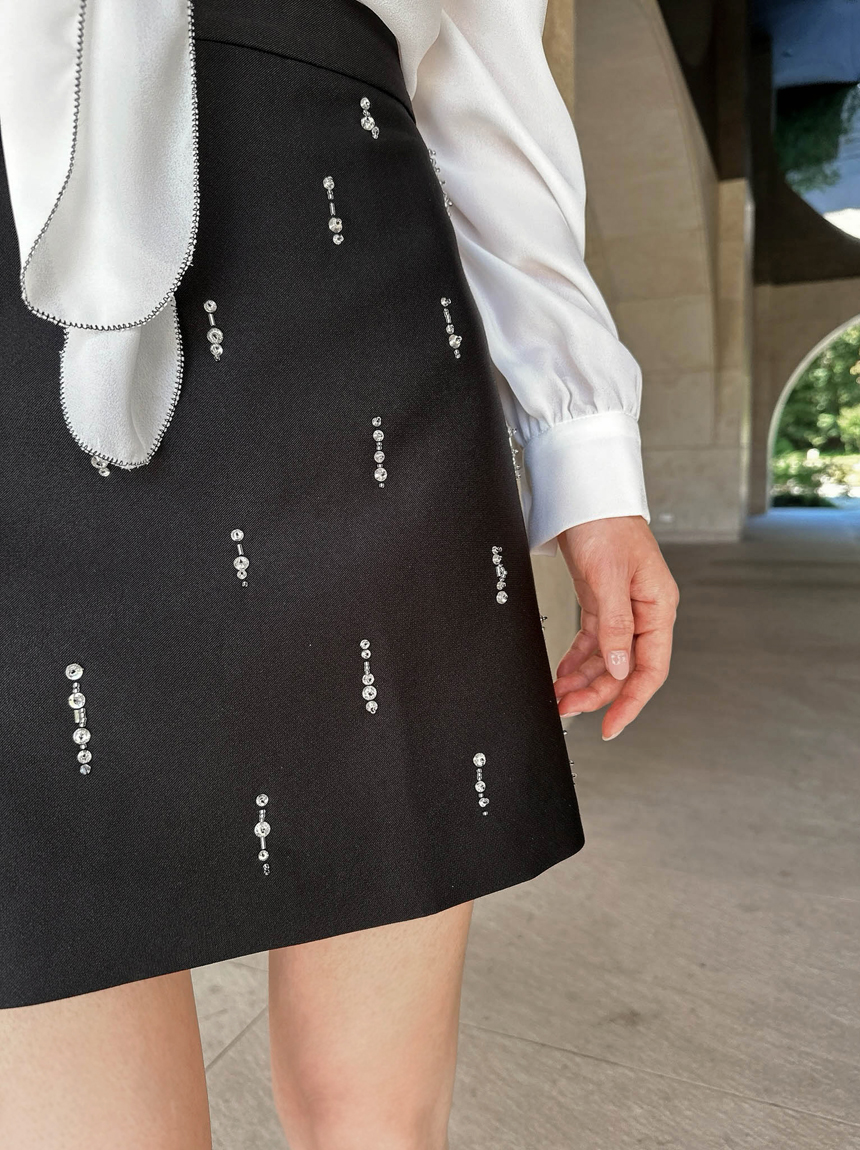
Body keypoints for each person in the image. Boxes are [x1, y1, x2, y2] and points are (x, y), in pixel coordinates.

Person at [0, 1, 679, 1147]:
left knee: (373, 1118)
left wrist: (588, 452)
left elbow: (482, 71)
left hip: (341, 244)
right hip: (24, 211)